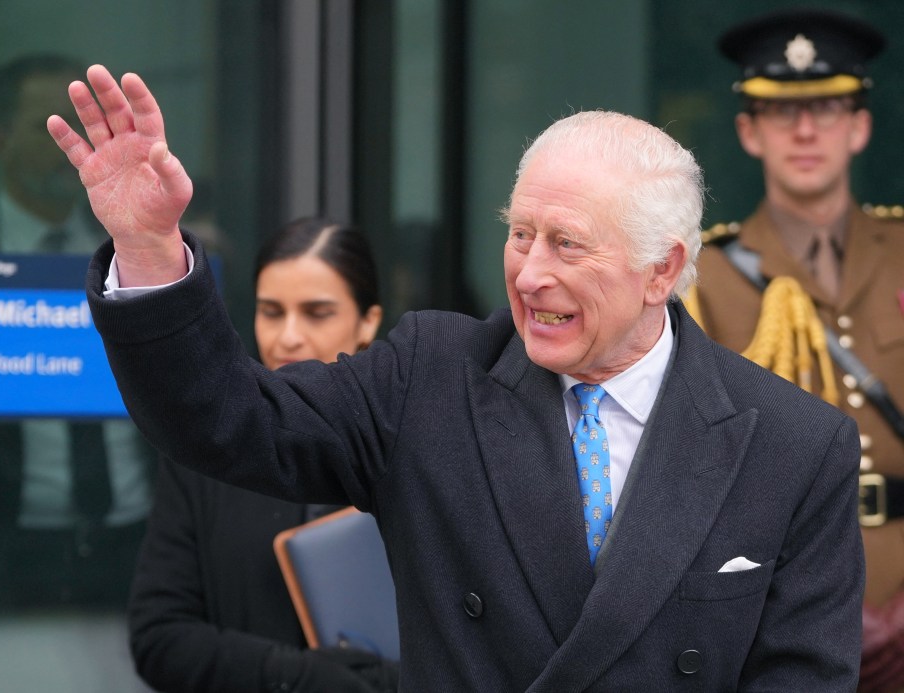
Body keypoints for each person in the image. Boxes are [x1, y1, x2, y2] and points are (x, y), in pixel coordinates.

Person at [49, 65, 864, 690]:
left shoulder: (795, 443)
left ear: (663, 269)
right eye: (521, 234)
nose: (530, 273)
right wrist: (151, 249)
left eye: (567, 244)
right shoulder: (432, 375)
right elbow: (226, 419)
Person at [687, 10, 904, 691]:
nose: (806, 131)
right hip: (780, 602)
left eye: (827, 108)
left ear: (860, 126)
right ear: (749, 131)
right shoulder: (703, 277)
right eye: (783, 113)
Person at [128, 217, 398, 692]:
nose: (288, 336)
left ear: (368, 322)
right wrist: (297, 677)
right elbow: (159, 637)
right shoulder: (206, 452)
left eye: (317, 313)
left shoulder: (420, 448)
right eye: (272, 311)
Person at [0, 54, 155, 609]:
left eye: (85, 125)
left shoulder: (135, 244)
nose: (75, 146)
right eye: (55, 126)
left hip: (139, 541)